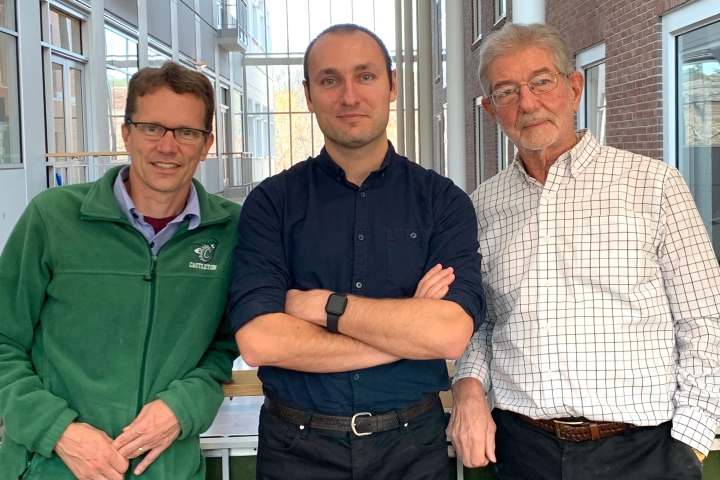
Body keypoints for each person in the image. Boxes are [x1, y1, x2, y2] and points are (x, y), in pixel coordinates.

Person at [448, 22, 720, 480]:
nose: (528, 103)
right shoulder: (481, 207)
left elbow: (705, 319)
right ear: (491, 111)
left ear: (574, 88)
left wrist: (690, 441)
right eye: (507, 91)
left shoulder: (654, 186)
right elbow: (482, 325)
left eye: (541, 82)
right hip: (523, 450)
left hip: (645, 452)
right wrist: (468, 389)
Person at [227, 23, 486, 480]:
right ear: (308, 95)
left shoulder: (442, 201)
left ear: (391, 86)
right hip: (295, 451)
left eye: (365, 76)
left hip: (412, 449)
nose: (349, 96)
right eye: (330, 80)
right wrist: (405, 333)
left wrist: (319, 306)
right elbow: (259, 341)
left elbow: (447, 335)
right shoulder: (271, 203)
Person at [0, 61, 240, 480]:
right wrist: (57, 431)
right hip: (50, 467)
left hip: (168, 469)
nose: (168, 147)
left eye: (186, 132)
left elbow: (223, 349)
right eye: (152, 128)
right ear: (126, 133)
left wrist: (181, 408)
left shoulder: (232, 233)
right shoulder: (52, 218)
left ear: (206, 145)